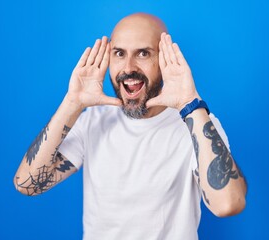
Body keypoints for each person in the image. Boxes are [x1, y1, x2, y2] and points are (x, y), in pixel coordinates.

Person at [14, 12, 247, 240]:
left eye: (143, 53)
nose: (128, 68)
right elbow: (27, 184)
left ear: (164, 59)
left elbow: (228, 204)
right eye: (119, 54)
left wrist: (189, 104)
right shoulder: (93, 120)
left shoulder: (196, 124)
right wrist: (72, 103)